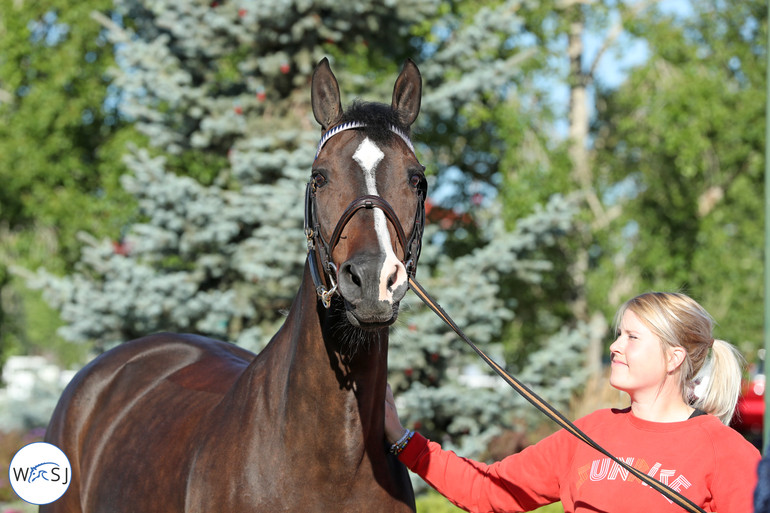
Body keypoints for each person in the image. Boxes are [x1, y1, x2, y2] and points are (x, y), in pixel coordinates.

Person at [385, 292, 760, 513]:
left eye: (632, 337)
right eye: (618, 335)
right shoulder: (590, 432)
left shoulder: (726, 452)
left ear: (674, 357)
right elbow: (489, 490)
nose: (615, 347)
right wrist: (402, 438)